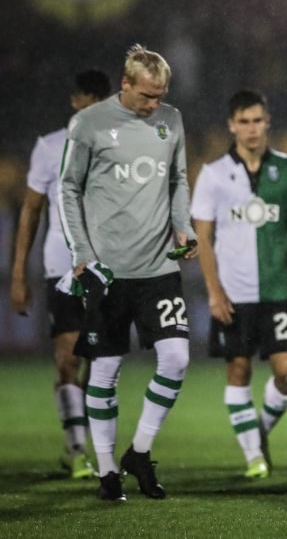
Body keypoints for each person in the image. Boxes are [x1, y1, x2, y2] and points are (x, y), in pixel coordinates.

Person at [59, 44, 198, 502]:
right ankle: (106, 472)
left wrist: (183, 227)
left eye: (161, 96)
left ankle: (139, 452)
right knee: (106, 370)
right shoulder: (89, 124)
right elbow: (68, 188)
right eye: (147, 96)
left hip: (159, 266)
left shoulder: (171, 120)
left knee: (176, 359)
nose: (154, 105)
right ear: (125, 84)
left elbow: (178, 179)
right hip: (108, 272)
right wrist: (81, 252)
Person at [190, 90, 287, 479]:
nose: (251, 129)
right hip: (234, 293)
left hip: (278, 290)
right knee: (239, 371)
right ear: (231, 125)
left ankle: (257, 430)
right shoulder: (213, 174)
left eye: (257, 120)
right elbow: (202, 240)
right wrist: (214, 291)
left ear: (268, 123)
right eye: (244, 121)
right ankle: (254, 457)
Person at [10, 69, 111, 479]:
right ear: (75, 102)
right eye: (87, 102)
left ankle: (87, 438)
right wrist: (18, 271)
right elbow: (31, 210)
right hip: (61, 267)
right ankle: (77, 450)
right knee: (67, 358)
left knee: (101, 363)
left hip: (107, 269)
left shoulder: (118, 149)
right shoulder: (50, 148)